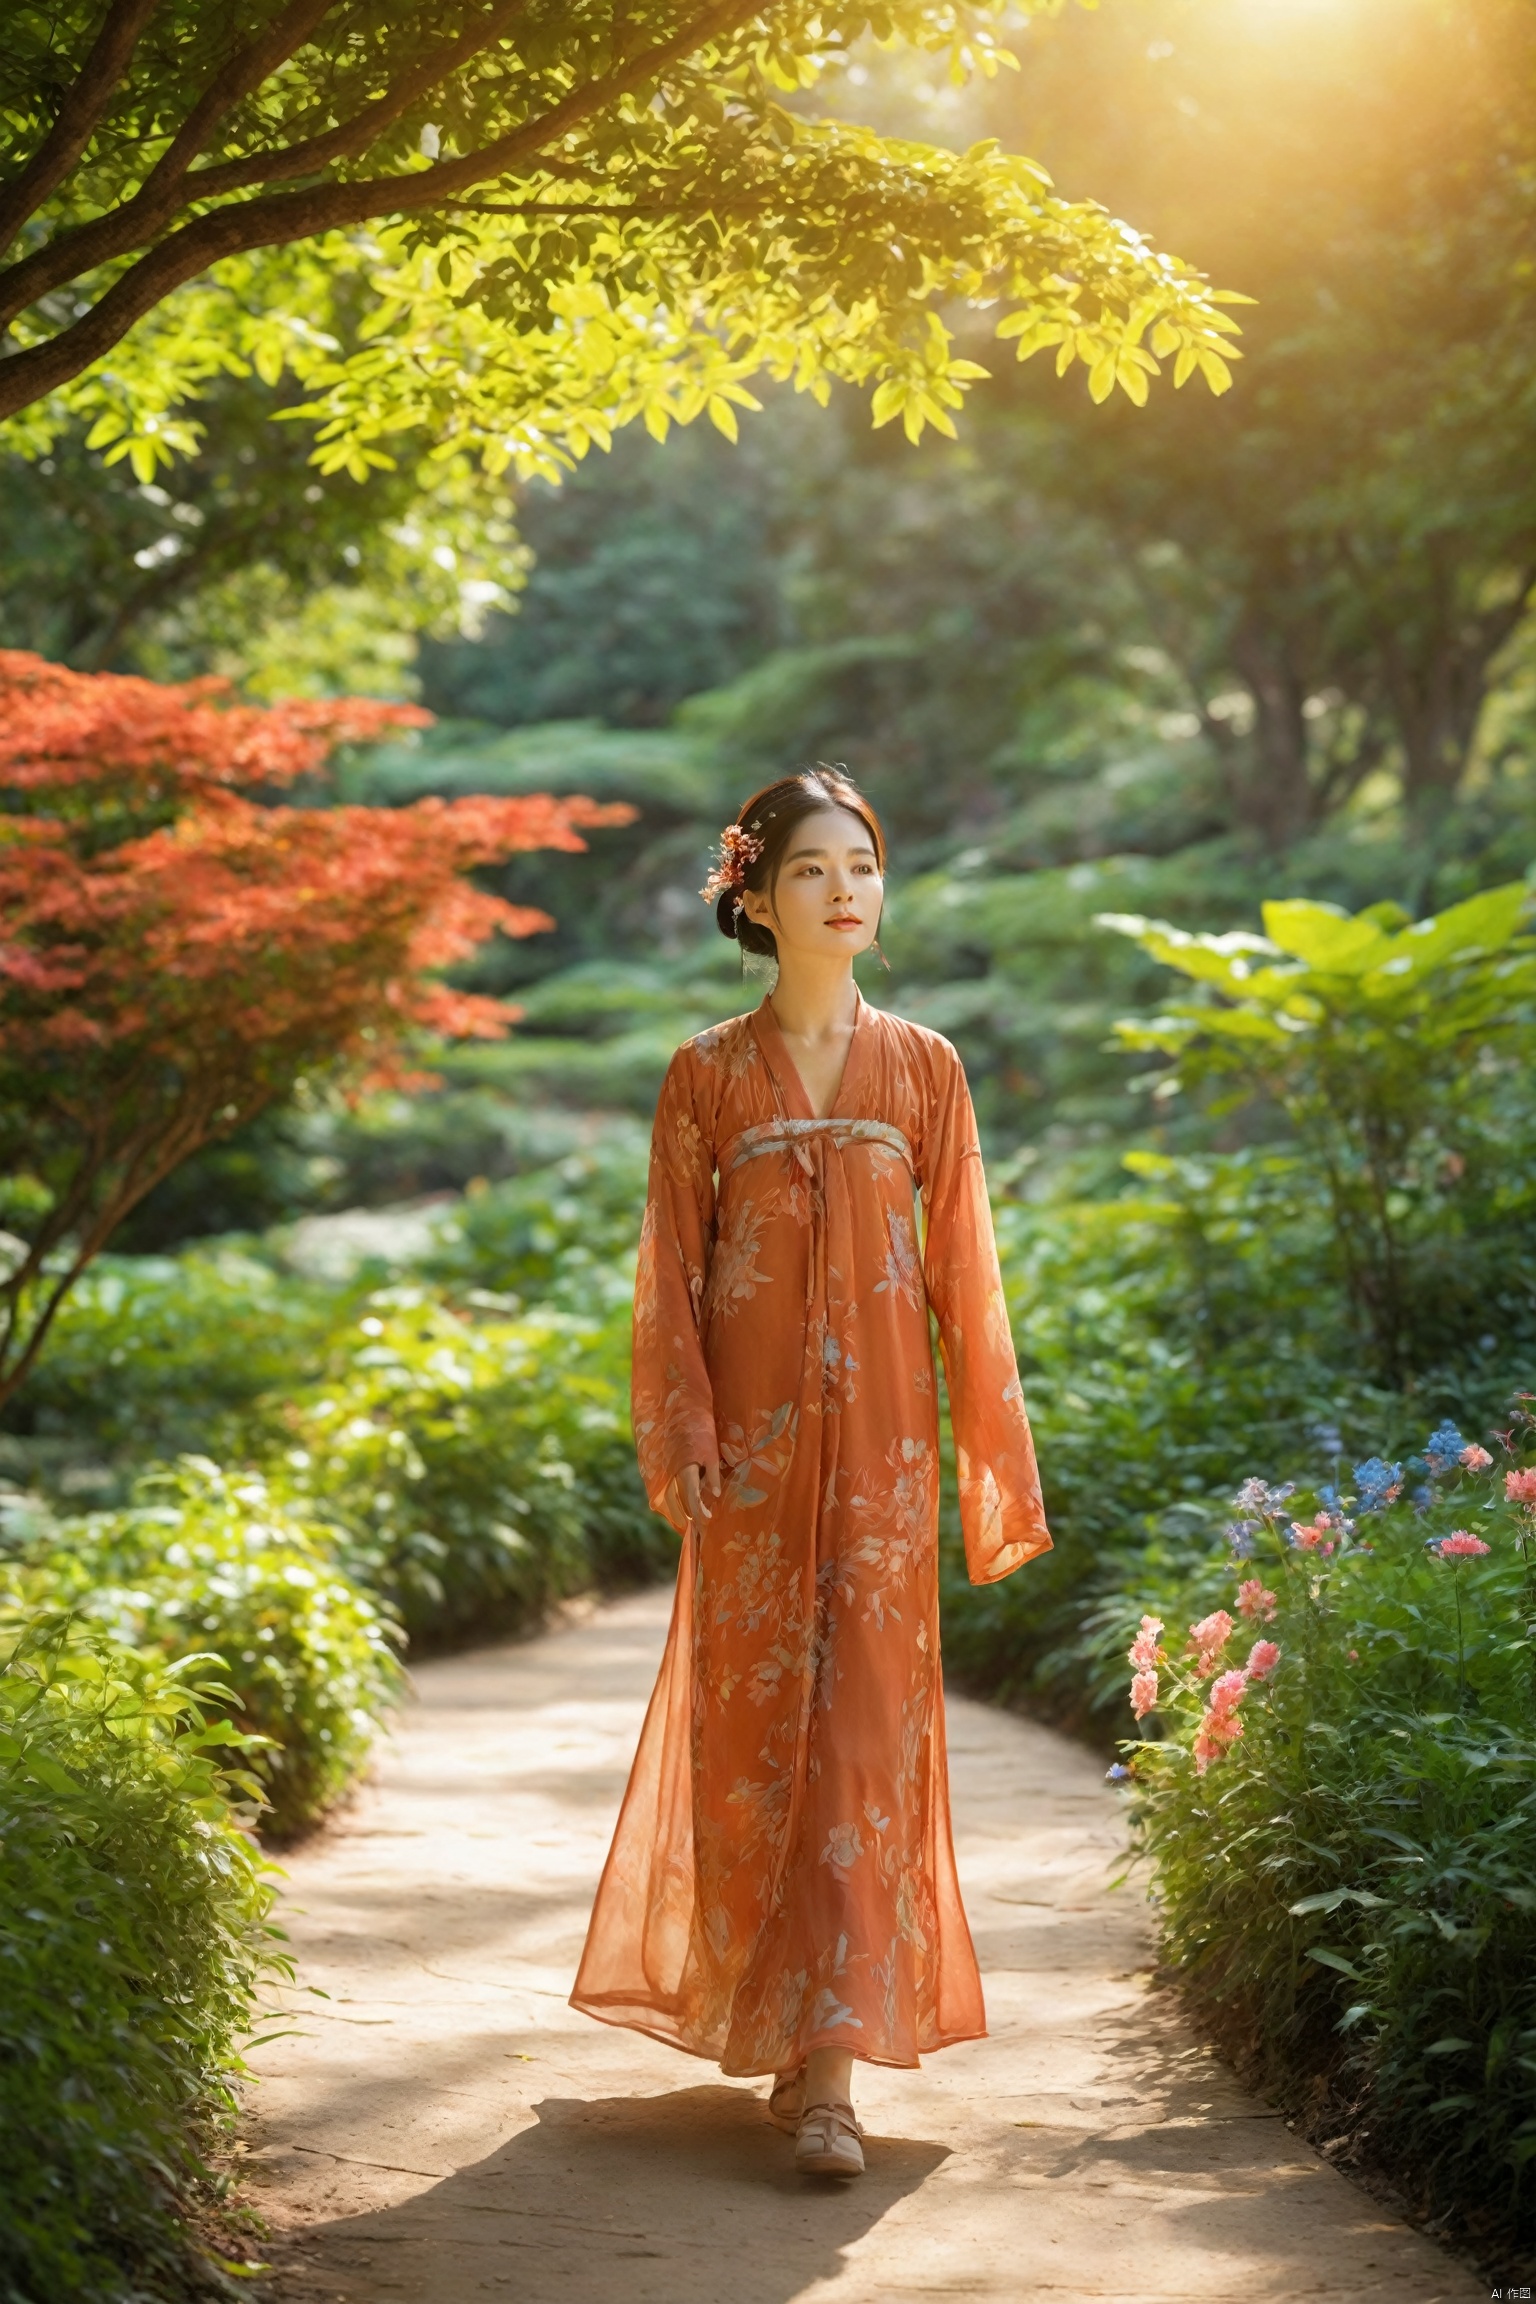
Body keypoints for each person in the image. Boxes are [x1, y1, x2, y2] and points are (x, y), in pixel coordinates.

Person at [570, 767, 1051, 2178]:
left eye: (865, 865)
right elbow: (667, 1273)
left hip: (888, 1468)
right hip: (758, 1474)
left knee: (859, 1741)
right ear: (756, 899)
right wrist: (687, 1433)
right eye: (810, 871)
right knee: (755, 1747)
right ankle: (786, 2028)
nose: (846, 889)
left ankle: (834, 2069)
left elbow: (968, 1269)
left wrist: (989, 1463)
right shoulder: (705, 1077)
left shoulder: (927, 1069)